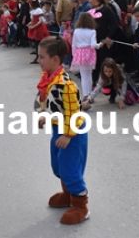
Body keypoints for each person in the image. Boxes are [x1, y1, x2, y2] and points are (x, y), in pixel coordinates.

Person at [35, 36, 89, 225]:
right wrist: (44, 116)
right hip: (59, 128)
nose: (39, 60)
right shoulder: (49, 78)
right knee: (58, 165)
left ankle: (81, 206)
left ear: (55, 60)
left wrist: (68, 134)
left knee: (70, 168)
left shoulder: (65, 85)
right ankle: (68, 195)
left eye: (42, 57)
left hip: (71, 131)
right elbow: (50, 105)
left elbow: (74, 111)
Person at [70, 13, 103, 96]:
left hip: (79, 53)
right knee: (89, 75)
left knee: (83, 75)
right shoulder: (92, 31)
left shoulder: (76, 31)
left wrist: (74, 55)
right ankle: (89, 94)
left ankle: (86, 94)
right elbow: (93, 45)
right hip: (89, 53)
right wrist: (99, 45)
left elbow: (74, 44)